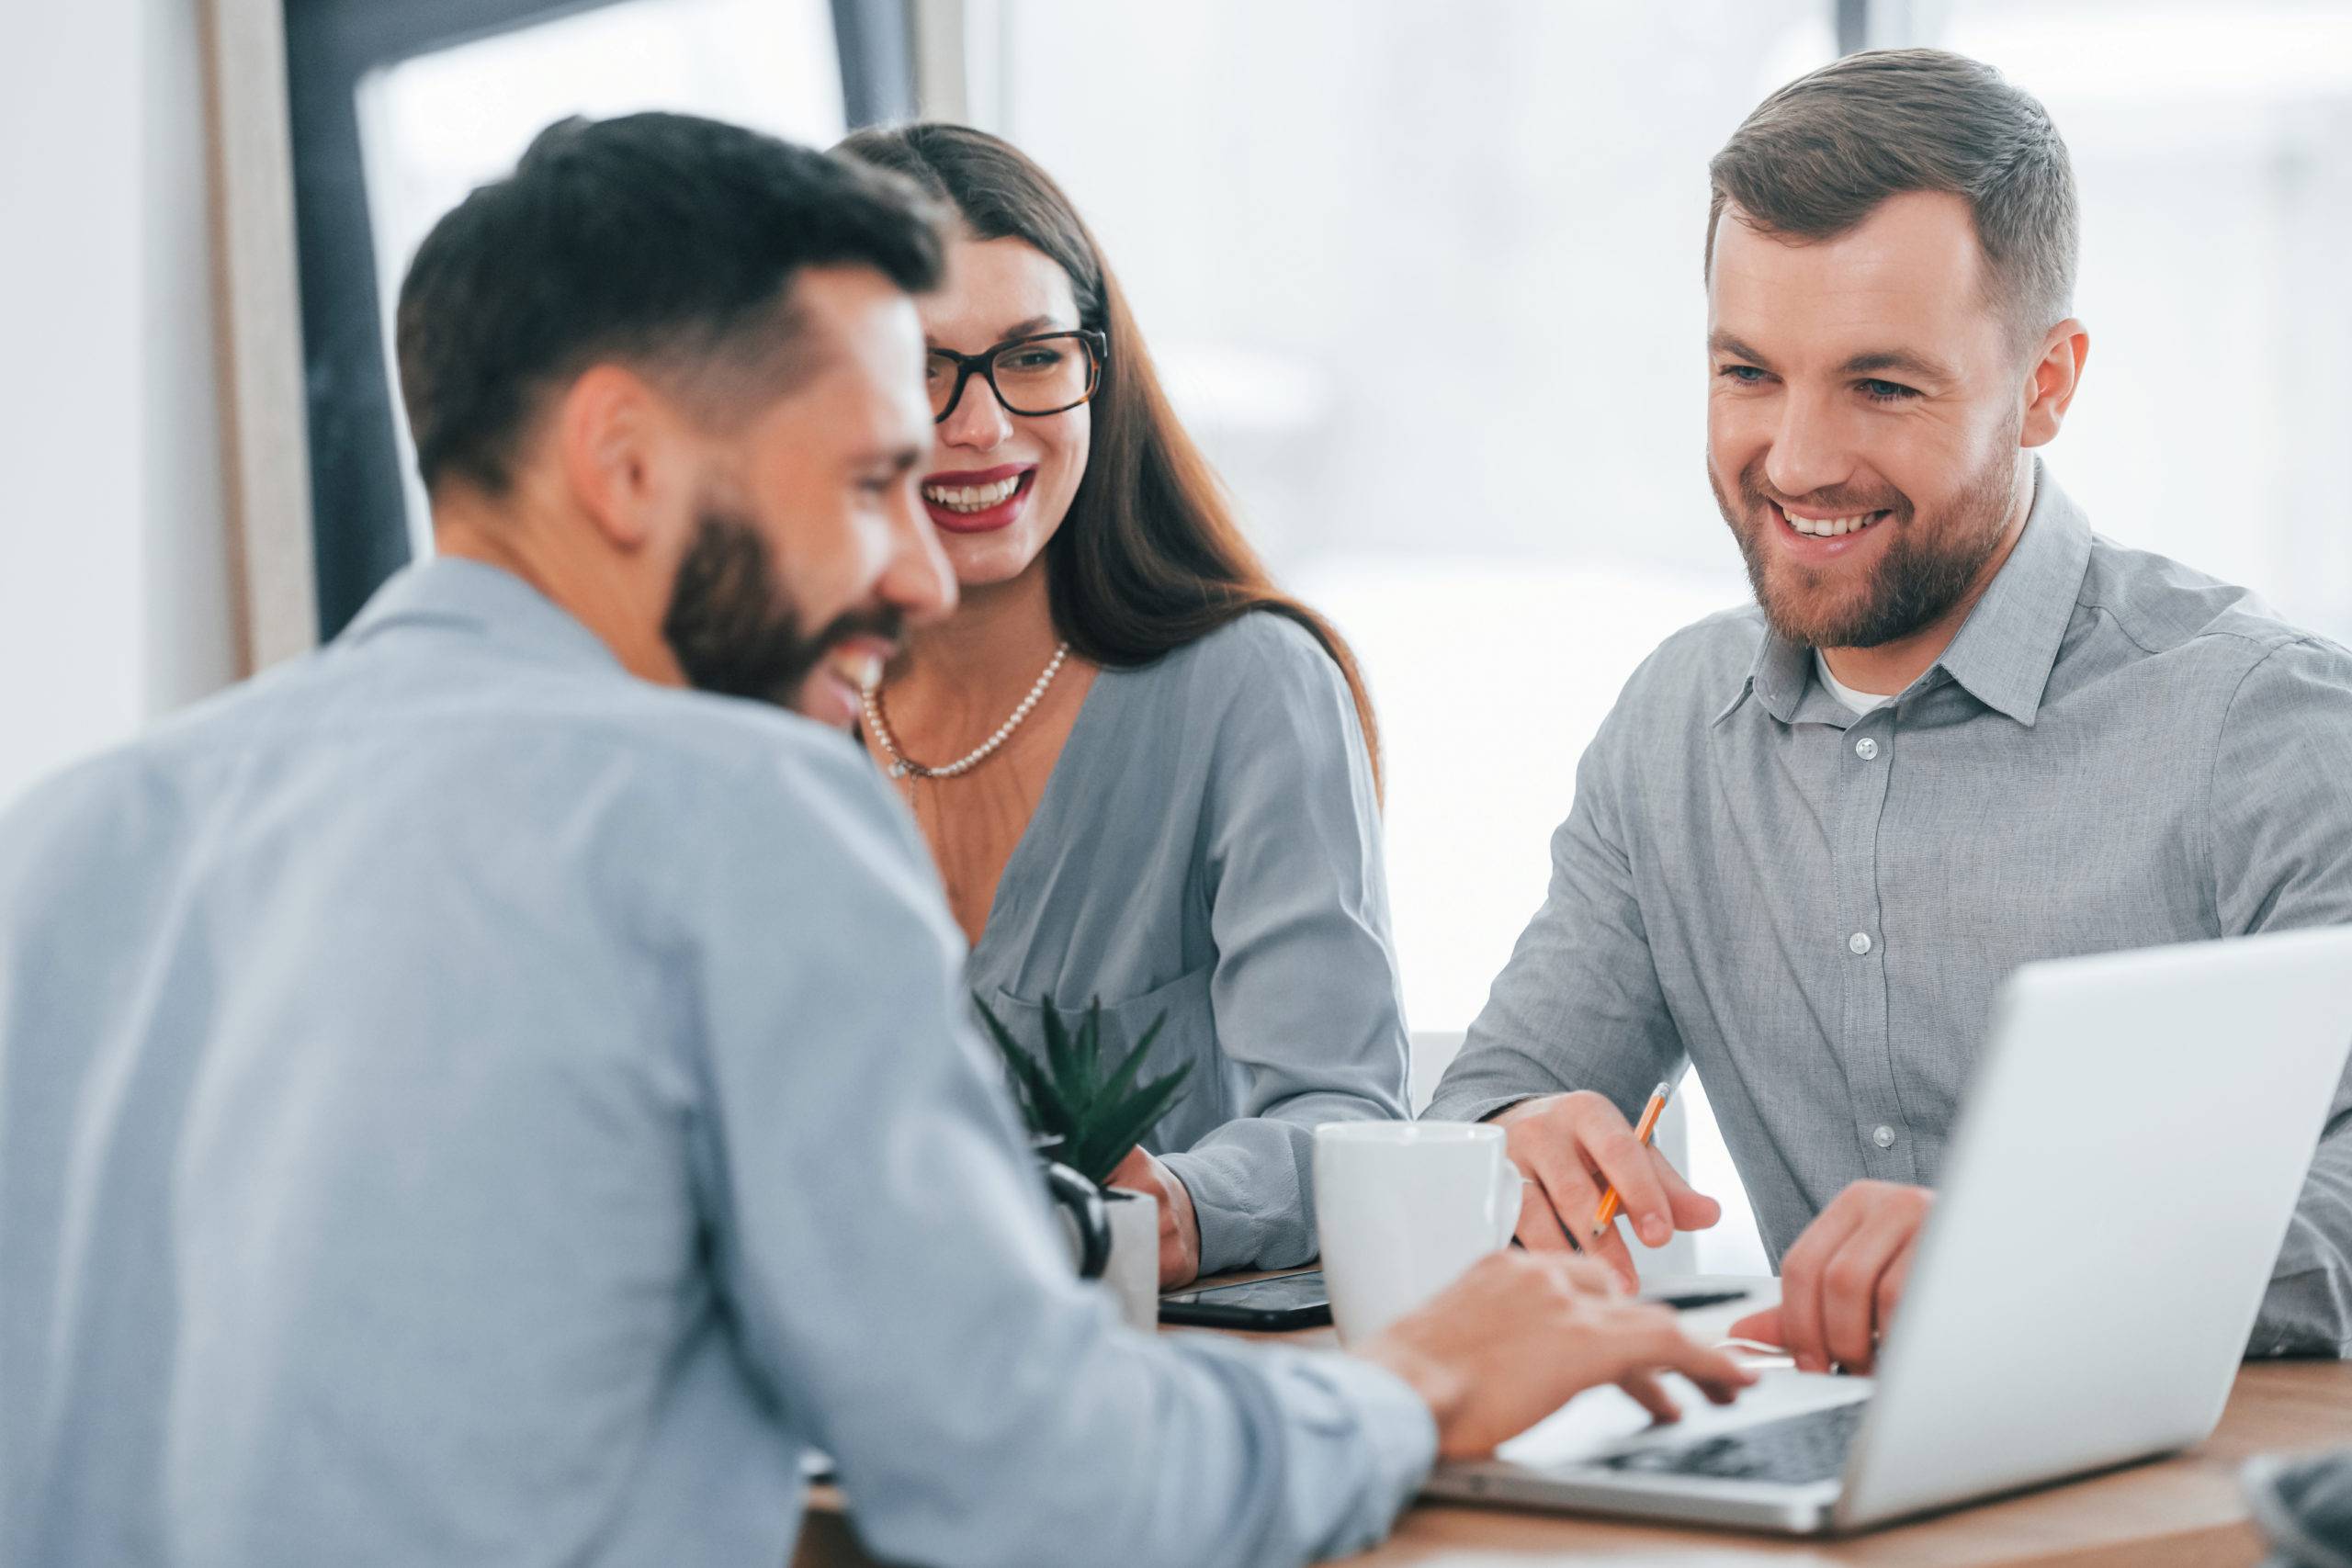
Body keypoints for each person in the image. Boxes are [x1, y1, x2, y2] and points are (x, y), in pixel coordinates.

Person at [0, 114, 1751, 1568]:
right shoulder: (735, 814)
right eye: (861, 482)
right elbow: (1040, 1483)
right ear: (621, 464)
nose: (917, 566)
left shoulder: (73, 839)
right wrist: (1420, 1388)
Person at [1426, 48, 2352, 1374]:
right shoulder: (1677, 727)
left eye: (1883, 385)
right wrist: (1512, 1139)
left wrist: (2040, 1254)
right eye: (1748, 372)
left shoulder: (2266, 725)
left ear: (2048, 383)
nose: (1796, 460)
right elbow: (1500, 1089)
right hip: (1835, 1488)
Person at [834, 123, 1408, 1287]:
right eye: (917, 367)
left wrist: (1186, 1204)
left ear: (1099, 369)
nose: (982, 425)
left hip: (1155, 1385)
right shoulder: (759, 713)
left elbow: (1343, 1115)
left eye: (1033, 356)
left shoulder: (1247, 687)